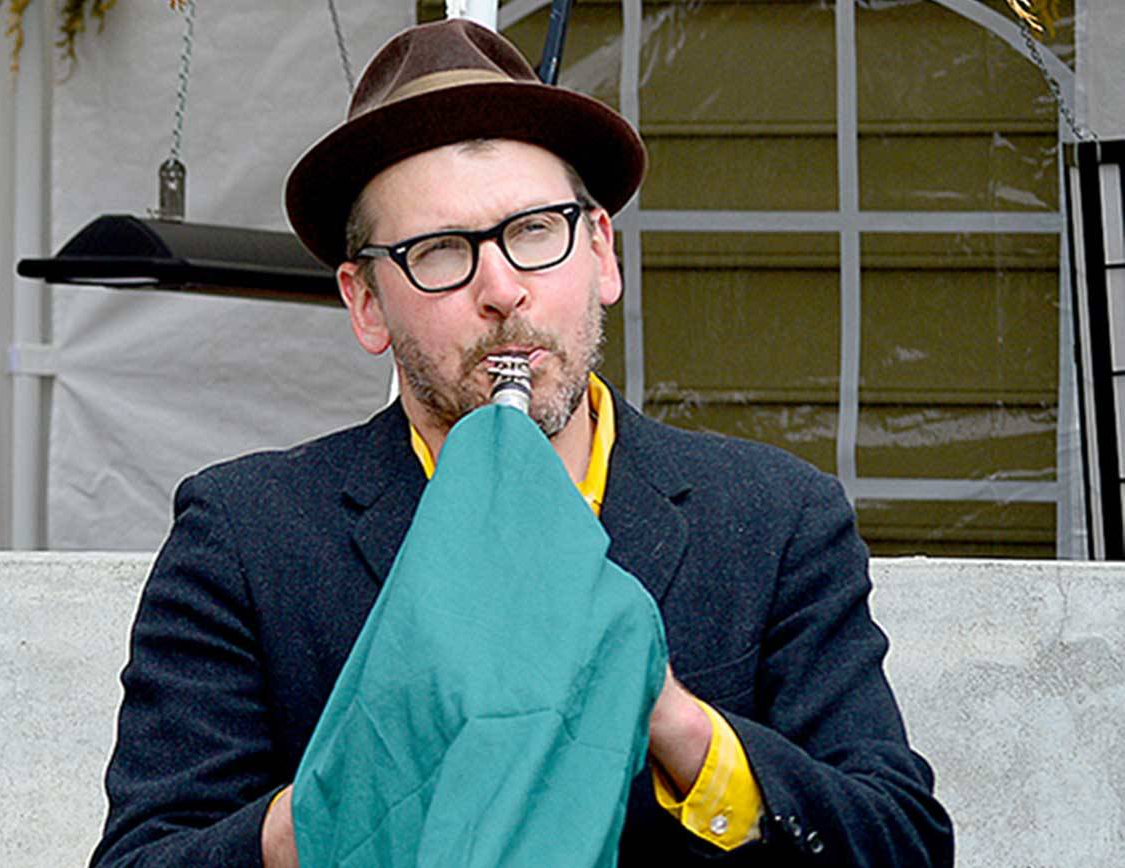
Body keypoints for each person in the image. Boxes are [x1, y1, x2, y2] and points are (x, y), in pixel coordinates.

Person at [91, 19, 953, 868]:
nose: (502, 290)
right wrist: (332, 809)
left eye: (535, 230)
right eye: (438, 251)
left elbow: (903, 842)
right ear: (365, 304)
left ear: (603, 252)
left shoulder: (773, 517)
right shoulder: (246, 534)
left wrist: (672, 718)